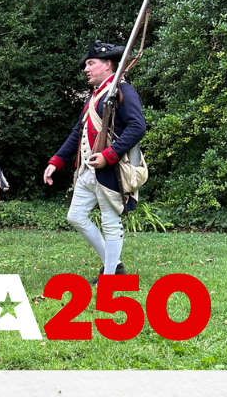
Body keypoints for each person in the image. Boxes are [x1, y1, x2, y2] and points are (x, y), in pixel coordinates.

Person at [43, 40, 147, 284]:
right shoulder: (95, 96)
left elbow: (137, 127)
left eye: (91, 63)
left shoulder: (123, 90)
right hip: (87, 170)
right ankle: (116, 267)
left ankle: (111, 277)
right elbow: (77, 132)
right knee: (76, 216)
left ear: (108, 65)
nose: (86, 69)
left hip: (110, 169)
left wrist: (109, 155)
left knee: (111, 223)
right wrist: (56, 161)